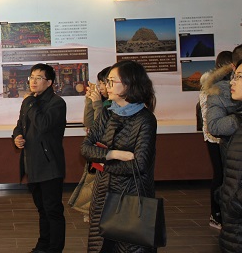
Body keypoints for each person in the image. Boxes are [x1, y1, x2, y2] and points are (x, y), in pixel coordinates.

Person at [81, 60, 157, 252]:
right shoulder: (107, 114)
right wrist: (113, 154)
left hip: (131, 195)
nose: (107, 86)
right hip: (102, 194)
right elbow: (86, 149)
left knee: (130, 246)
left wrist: (102, 163)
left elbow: (139, 165)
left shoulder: (145, 119)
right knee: (101, 246)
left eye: (112, 81)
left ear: (129, 84)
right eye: (107, 81)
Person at [12, 63, 67, 253]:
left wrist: (30, 103)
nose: (33, 81)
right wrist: (17, 137)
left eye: (38, 78)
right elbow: (20, 125)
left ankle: (55, 248)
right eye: (32, 77)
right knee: (42, 209)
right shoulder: (30, 102)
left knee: (53, 210)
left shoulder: (57, 103)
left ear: (49, 82)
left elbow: (43, 124)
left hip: (50, 166)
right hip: (33, 164)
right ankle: (43, 245)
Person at [69, 66, 111, 222]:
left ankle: (98, 214)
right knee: (92, 184)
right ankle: (93, 212)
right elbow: (88, 123)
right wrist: (89, 100)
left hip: (107, 154)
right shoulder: (104, 102)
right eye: (99, 84)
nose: (100, 87)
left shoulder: (113, 105)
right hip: (97, 152)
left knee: (101, 186)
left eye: (103, 83)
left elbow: (101, 129)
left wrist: (98, 104)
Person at [198, 50, 232, 229]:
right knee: (221, 175)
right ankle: (216, 214)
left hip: (218, 137)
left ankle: (222, 213)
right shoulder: (212, 87)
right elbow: (210, 119)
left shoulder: (211, 85)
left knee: (225, 175)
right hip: (215, 137)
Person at [219, 59, 242, 252]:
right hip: (233, 221)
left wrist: (234, 202)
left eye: (239, 77)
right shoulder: (237, 121)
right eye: (234, 76)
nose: (232, 81)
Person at [206, 44, 242, 164]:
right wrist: (238, 119)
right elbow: (214, 126)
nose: (233, 82)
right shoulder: (219, 90)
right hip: (234, 154)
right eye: (238, 76)